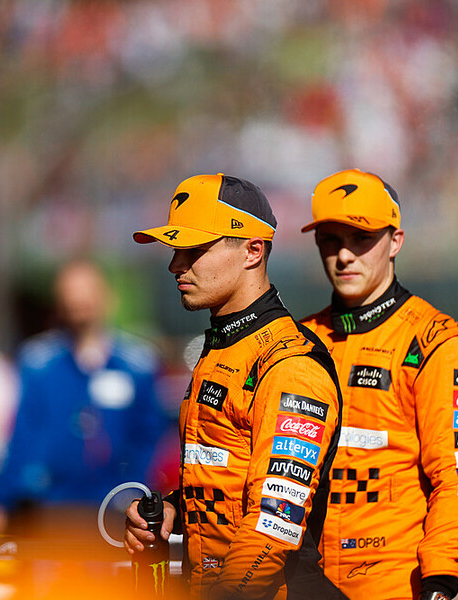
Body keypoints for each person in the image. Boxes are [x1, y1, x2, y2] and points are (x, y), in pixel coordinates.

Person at [125, 173, 343, 599]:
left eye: (194, 250)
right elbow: (229, 482)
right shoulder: (223, 347)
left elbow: (273, 524)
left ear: (252, 251)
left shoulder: (290, 364)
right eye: (175, 250)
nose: (175, 265)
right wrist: (173, 511)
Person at [299, 168, 458, 600]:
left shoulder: (439, 343)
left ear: (396, 242)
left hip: (395, 584)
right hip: (301, 582)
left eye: (361, 238)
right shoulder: (297, 342)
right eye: (330, 239)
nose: (344, 255)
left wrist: (440, 582)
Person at [0, 260, 164, 538]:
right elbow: (23, 437)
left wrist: (135, 491)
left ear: (107, 298)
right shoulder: (38, 363)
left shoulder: (137, 364)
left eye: (86, 294)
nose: (78, 303)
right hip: (51, 507)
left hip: (115, 509)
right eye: (70, 295)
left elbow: (148, 437)